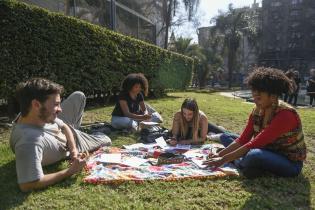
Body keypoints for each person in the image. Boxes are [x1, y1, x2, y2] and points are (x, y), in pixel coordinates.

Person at [10, 78, 111, 192]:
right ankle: (95, 133)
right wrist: (71, 171)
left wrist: (73, 151)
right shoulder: (29, 141)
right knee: (106, 139)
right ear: (36, 104)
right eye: (56, 104)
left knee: (79, 95)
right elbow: (27, 185)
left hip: (69, 133)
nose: (60, 109)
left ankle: (87, 131)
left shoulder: (30, 114)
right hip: (78, 141)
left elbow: (64, 126)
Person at [203, 67, 307, 178]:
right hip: (265, 150)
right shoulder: (257, 111)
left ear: (273, 96)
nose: (255, 96)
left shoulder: (285, 115)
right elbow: (243, 139)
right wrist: (219, 155)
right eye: (254, 91)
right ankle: (247, 164)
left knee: (254, 155)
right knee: (225, 137)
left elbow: (255, 143)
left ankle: (243, 163)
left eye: (259, 94)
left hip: (289, 163)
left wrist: (223, 159)